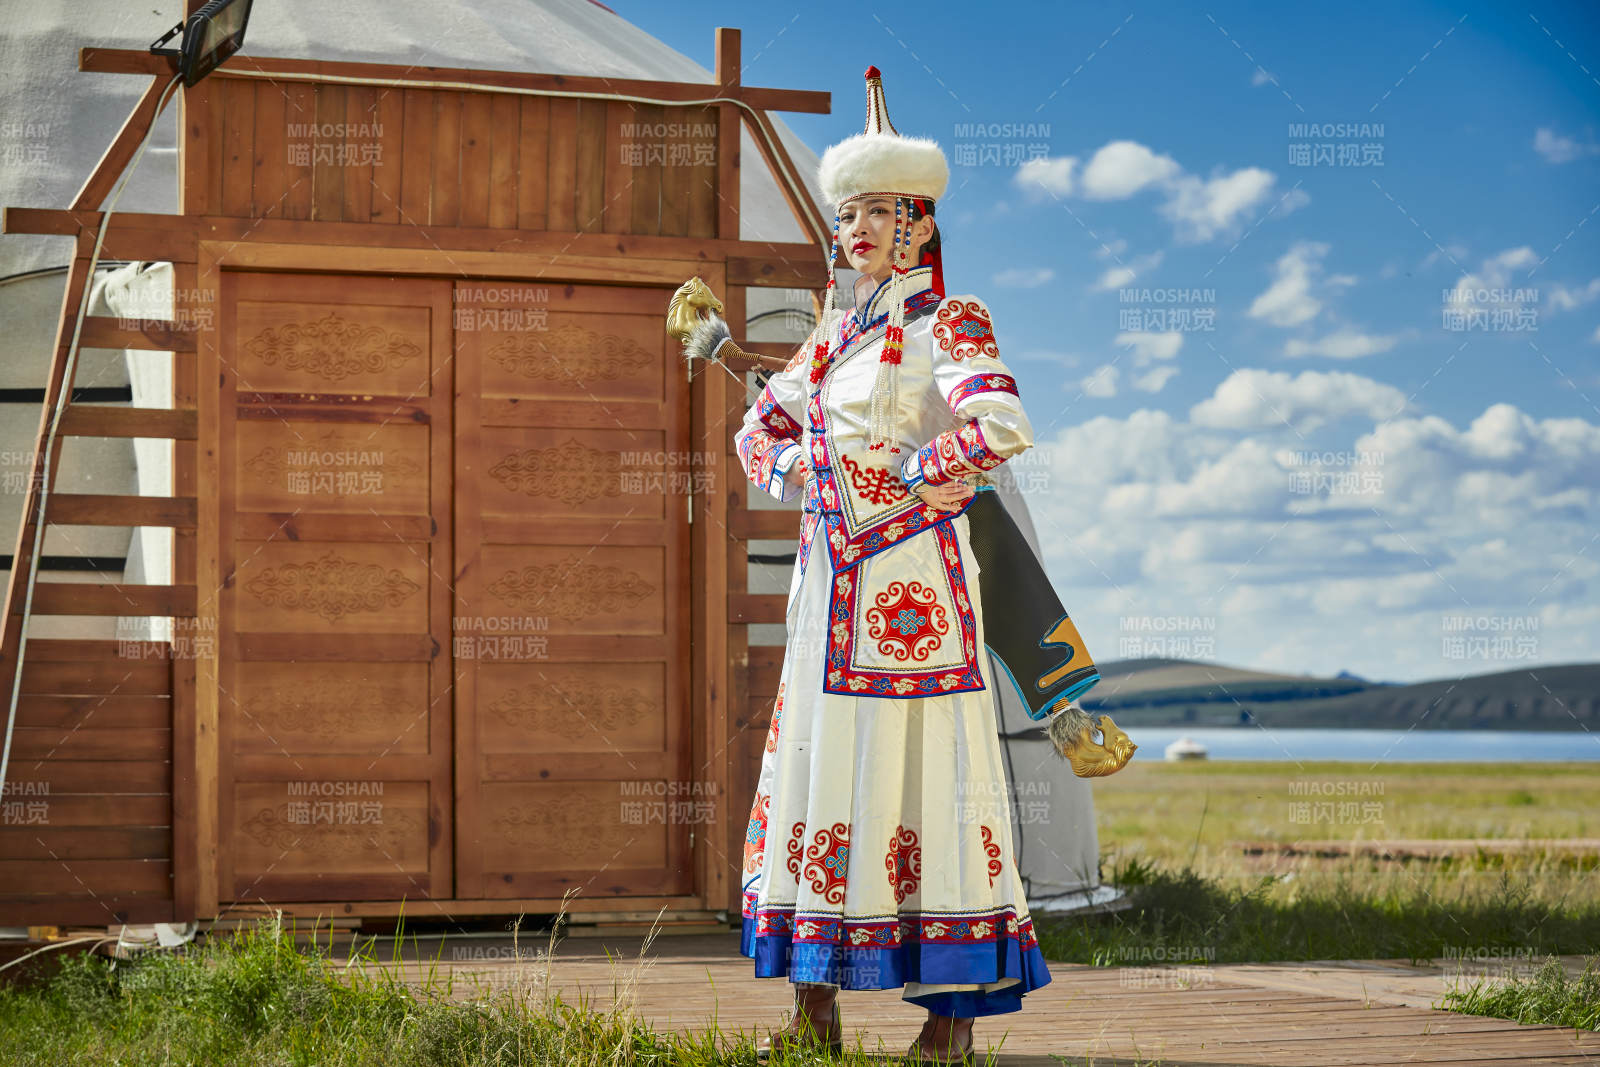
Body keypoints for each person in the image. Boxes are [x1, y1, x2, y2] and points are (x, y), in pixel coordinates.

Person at [733, 67, 1050, 1064]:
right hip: (829, 594)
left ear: (918, 222)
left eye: (876, 211)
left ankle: (949, 1017)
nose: (857, 229)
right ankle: (813, 1004)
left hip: (915, 590)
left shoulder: (948, 322)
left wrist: (914, 476)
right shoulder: (829, 339)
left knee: (925, 782)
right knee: (821, 775)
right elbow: (755, 430)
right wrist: (796, 464)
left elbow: (1000, 423)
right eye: (846, 213)